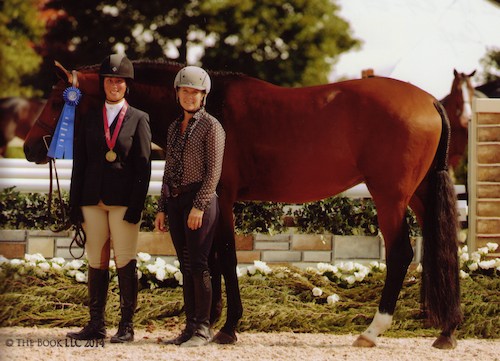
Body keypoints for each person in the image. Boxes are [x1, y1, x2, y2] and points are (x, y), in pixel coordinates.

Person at [67, 54, 152, 343]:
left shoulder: (139, 119)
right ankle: (96, 324)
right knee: (95, 261)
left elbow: (144, 167)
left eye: (119, 81)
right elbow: (80, 163)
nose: (114, 85)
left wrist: (137, 205)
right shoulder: (90, 117)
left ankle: (126, 325)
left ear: (126, 85)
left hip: (123, 202)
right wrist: (73, 203)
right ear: (103, 83)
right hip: (92, 198)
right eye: (109, 80)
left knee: (125, 260)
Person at [155, 65, 225, 347]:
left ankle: (203, 328)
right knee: (185, 266)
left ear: (203, 96)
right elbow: (168, 169)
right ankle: (189, 326)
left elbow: (214, 172)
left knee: (199, 264)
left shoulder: (212, 127)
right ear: (178, 94)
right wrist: (162, 206)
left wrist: (199, 206)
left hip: (200, 201)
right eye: (185, 91)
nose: (189, 96)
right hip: (175, 200)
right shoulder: (173, 128)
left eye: (194, 92)